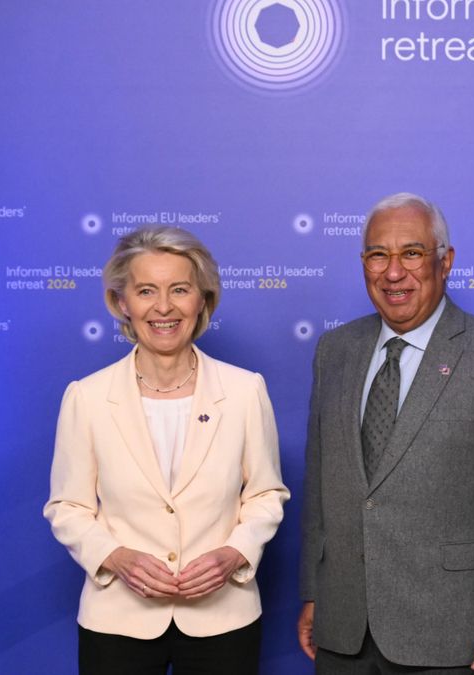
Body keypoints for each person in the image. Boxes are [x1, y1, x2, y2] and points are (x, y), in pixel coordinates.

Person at [297, 193, 474, 675]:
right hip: (343, 630)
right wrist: (314, 591)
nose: (394, 272)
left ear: (445, 260)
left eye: (411, 253)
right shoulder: (335, 351)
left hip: (452, 633)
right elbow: (320, 488)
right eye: (378, 254)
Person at [44, 226, 290, 674]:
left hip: (223, 619)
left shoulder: (244, 390)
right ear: (122, 302)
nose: (163, 307)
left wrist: (234, 553)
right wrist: (115, 558)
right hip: (117, 620)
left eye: (180, 289)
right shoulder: (87, 397)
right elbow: (68, 506)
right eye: (145, 291)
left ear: (202, 300)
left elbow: (265, 495)